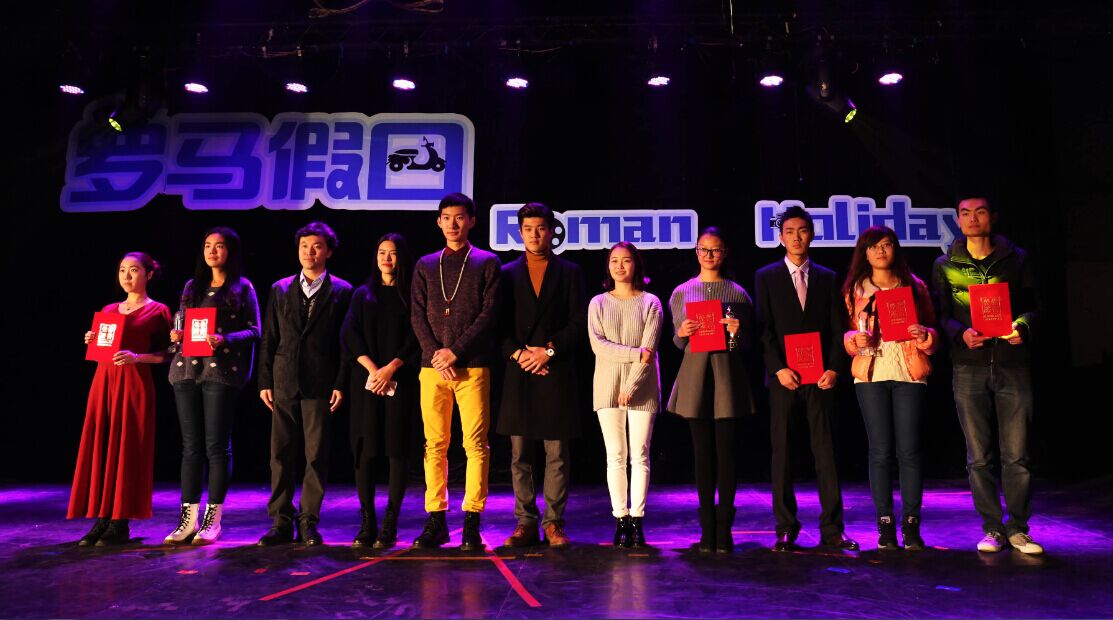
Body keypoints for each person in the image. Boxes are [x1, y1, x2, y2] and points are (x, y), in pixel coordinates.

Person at [931, 196, 1043, 554]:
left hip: (1012, 362)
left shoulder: (1016, 258)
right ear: (958, 220)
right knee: (978, 457)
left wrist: (1022, 327)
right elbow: (941, 315)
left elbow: (1035, 306)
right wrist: (959, 334)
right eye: (965, 213)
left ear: (992, 217)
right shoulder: (945, 264)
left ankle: (1018, 529)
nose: (973, 219)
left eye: (979, 212)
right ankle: (993, 528)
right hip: (968, 365)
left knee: (1017, 454)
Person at [755, 206, 858, 552]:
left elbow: (837, 328)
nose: (796, 237)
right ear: (781, 238)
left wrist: (834, 368)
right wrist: (778, 369)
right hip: (784, 378)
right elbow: (763, 330)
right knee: (782, 451)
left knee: (825, 451)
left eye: (802, 231)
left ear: (811, 235)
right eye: (789, 232)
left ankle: (833, 528)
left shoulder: (828, 277)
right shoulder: (766, 276)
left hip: (821, 378)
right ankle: (785, 526)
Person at [410, 193, 501, 551]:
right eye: (446, 217)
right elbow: (417, 314)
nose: (452, 224)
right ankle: (436, 520)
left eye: (460, 217)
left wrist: (455, 352)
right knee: (435, 444)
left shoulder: (486, 262)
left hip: (473, 366)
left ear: (472, 221)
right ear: (438, 221)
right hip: (432, 368)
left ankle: (471, 522)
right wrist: (437, 355)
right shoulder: (425, 265)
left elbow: (489, 314)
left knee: (475, 445)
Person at [841, 226, 938, 550]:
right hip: (871, 373)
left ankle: (911, 524)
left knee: (909, 451)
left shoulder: (915, 286)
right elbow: (844, 333)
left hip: (909, 372)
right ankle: (885, 523)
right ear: (864, 253)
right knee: (880, 452)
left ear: (895, 249)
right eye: (874, 246)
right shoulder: (855, 289)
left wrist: (925, 335)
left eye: (886, 245)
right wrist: (852, 340)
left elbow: (932, 329)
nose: (881, 251)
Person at [497, 203, 588, 549]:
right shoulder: (506, 273)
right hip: (519, 370)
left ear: (552, 231)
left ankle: (553, 523)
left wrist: (548, 351)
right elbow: (496, 323)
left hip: (555, 368)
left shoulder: (569, 272)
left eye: (541, 228)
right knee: (519, 454)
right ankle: (525, 522)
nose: (535, 235)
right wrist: (519, 354)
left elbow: (579, 322)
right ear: (520, 233)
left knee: (557, 454)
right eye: (528, 229)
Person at [256, 222, 353, 546]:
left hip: (320, 381)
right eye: (304, 246)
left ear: (328, 251)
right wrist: (265, 379)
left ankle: (309, 521)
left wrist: (340, 382)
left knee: (316, 455)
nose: (309, 252)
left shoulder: (342, 290)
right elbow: (269, 337)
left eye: (316, 246)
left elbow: (345, 343)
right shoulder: (280, 288)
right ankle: (280, 522)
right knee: (280, 454)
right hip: (284, 380)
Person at [163, 227, 261, 546]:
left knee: (216, 446)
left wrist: (225, 338)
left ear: (230, 251)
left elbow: (255, 331)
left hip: (221, 373)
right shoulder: (192, 286)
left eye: (219, 246)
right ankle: (187, 519)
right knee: (190, 447)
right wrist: (177, 335)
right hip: (186, 369)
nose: (212, 251)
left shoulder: (242, 287)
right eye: (208, 246)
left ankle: (212, 521)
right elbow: (181, 322)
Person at [70, 252, 172, 546]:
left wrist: (137, 357)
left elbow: (170, 353)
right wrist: (92, 340)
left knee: (127, 448)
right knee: (102, 446)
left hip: (134, 383)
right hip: (104, 382)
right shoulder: (109, 309)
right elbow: (102, 349)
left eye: (134, 270)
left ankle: (120, 520)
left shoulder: (158, 310)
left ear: (149, 275)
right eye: (122, 270)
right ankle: (103, 517)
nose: (127, 276)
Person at [666, 227, 755, 553]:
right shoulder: (682, 292)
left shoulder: (738, 293)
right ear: (696, 252)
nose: (709, 255)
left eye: (715, 250)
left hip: (727, 377)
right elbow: (678, 342)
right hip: (696, 376)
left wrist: (737, 332)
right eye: (704, 250)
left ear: (724, 253)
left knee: (727, 455)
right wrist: (682, 331)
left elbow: (746, 344)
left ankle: (724, 528)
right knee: (702, 455)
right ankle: (707, 529)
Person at [341, 233, 420, 549]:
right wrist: (374, 370)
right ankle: (367, 522)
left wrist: (391, 368)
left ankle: (390, 523)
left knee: (396, 450)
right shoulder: (362, 294)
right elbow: (349, 335)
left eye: (393, 253)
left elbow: (416, 338)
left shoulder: (412, 294)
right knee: (365, 451)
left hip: (399, 381)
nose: (386, 258)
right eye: (381, 252)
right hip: (368, 383)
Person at [587, 241, 663, 549]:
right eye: (614, 261)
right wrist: (634, 353)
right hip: (607, 387)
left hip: (642, 387)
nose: (620, 266)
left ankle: (637, 520)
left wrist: (630, 387)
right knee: (615, 455)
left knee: (640, 454)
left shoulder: (651, 302)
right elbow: (598, 345)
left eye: (626, 260)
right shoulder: (598, 303)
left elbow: (650, 351)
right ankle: (620, 519)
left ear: (636, 265)